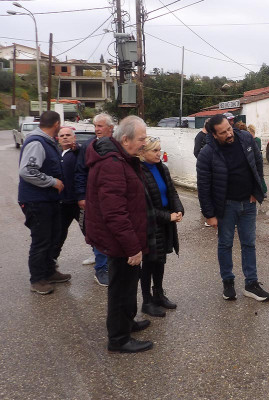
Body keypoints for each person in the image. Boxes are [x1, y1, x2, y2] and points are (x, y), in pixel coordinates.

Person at [85, 115, 152, 353]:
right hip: (121, 241)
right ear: (125, 139)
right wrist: (133, 247)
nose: (145, 143)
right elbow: (115, 213)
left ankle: (127, 322)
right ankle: (118, 338)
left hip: (124, 238)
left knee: (128, 283)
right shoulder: (112, 164)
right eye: (142, 139)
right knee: (120, 287)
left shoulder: (123, 157)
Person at [197, 114, 269, 302]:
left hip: (248, 202)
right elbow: (203, 186)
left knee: (249, 243)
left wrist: (257, 188)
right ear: (214, 135)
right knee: (225, 243)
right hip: (226, 206)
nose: (229, 134)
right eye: (223, 133)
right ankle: (228, 282)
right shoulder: (207, 153)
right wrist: (209, 215)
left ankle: (251, 284)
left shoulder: (245, 138)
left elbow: (258, 163)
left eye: (229, 129)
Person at [18, 111, 71, 295]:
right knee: (41, 240)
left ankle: (49, 272)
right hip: (36, 201)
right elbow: (27, 170)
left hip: (49, 201)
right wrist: (52, 181)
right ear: (57, 124)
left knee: (53, 237)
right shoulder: (36, 142)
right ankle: (38, 279)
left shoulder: (47, 142)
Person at [139, 136, 184, 317]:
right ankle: (147, 301)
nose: (159, 154)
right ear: (142, 153)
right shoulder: (139, 172)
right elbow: (143, 207)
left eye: (160, 150)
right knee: (149, 263)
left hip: (165, 222)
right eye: (155, 150)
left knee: (161, 259)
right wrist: (169, 216)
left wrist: (179, 210)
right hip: (150, 224)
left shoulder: (161, 168)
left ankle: (158, 294)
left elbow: (171, 192)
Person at [75, 113, 114, 286]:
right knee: (99, 232)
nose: (96, 130)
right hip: (94, 199)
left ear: (111, 128)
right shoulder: (88, 146)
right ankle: (101, 269)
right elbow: (80, 172)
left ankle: (113, 264)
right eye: (95, 126)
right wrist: (81, 195)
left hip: (114, 197)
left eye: (100, 126)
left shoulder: (118, 145)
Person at [53, 127, 84, 264]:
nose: (65, 137)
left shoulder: (79, 152)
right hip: (62, 202)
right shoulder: (55, 153)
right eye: (62, 135)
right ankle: (52, 262)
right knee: (58, 234)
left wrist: (78, 147)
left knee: (90, 232)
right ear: (58, 138)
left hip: (78, 202)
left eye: (68, 135)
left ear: (74, 138)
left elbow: (86, 149)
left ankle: (100, 261)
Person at [247, 124, 267, 195]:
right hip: (254, 158)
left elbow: (256, 150)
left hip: (256, 159)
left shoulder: (256, 140)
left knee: (260, 174)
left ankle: (264, 190)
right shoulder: (254, 140)